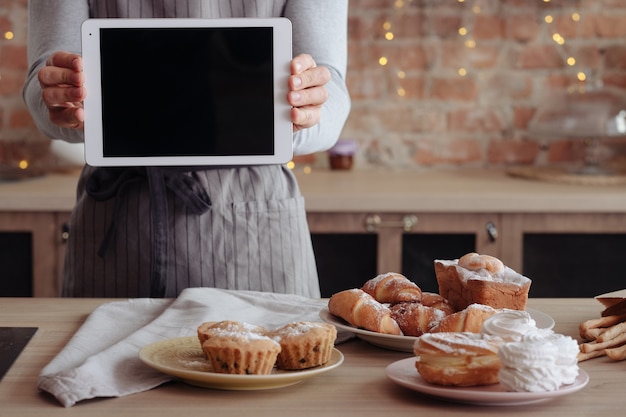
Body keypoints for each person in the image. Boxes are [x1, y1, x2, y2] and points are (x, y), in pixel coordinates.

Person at [23, 0, 351, 298]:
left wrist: (303, 111)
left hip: (254, 224)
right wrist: (60, 102)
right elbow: (44, 84)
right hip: (120, 224)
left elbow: (330, 89)